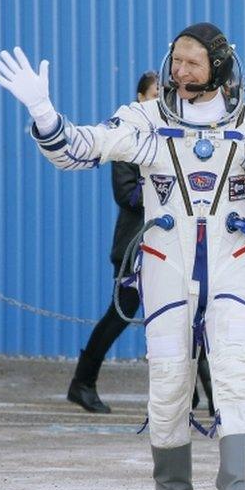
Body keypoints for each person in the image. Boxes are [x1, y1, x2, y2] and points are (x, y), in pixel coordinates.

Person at [0, 23, 245, 490]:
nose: (180, 71)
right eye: (177, 61)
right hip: (166, 275)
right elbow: (80, 149)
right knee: (169, 391)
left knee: (238, 381)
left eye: (193, 63)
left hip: (233, 272)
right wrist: (44, 113)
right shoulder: (146, 121)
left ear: (220, 68)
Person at [66, 71, 158, 414]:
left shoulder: (173, 137)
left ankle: (199, 394)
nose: (160, 99)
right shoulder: (128, 139)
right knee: (120, 314)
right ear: (139, 97)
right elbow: (126, 194)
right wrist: (165, 191)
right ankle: (83, 382)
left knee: (188, 316)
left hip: (171, 246)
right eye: (153, 93)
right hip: (135, 247)